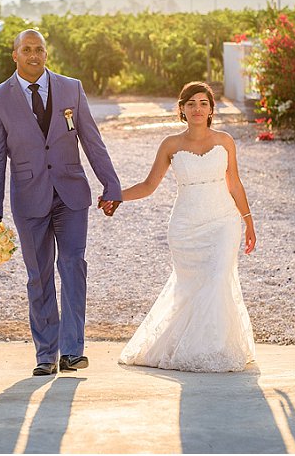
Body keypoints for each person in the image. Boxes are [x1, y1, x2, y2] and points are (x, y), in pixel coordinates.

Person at [0, 29, 122, 376]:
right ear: (14, 55)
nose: (34, 55)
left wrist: (111, 183)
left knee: (73, 265)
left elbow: (92, 140)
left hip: (71, 194)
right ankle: (46, 354)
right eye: (27, 49)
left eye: (39, 49)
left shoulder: (71, 88)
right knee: (39, 276)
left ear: (47, 54)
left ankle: (72, 351)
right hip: (29, 199)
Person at [107, 81, 256, 372]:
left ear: (211, 109)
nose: (197, 108)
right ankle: (190, 348)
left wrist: (248, 220)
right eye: (191, 104)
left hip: (223, 222)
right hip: (186, 227)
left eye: (203, 103)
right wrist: (117, 196)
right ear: (182, 109)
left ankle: (216, 348)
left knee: (218, 278)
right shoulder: (170, 145)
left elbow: (235, 183)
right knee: (192, 287)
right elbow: (149, 185)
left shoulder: (225, 140)